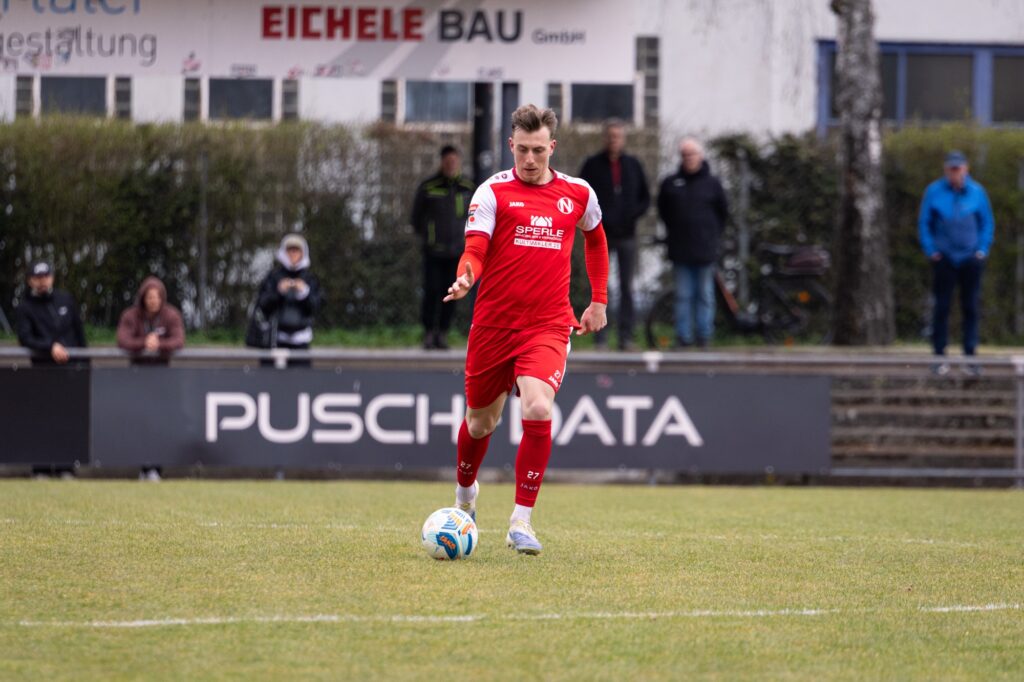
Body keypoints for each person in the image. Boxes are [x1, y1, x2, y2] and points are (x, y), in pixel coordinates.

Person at [443, 104, 609, 555]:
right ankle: (465, 497)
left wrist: (598, 299)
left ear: (552, 147)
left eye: (538, 150)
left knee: (537, 407)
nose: (530, 159)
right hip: (494, 325)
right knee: (480, 423)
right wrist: (466, 278)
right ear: (510, 145)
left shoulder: (578, 193)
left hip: (548, 325)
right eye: (522, 150)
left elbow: (596, 238)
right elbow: (475, 249)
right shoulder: (492, 192)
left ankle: (521, 521)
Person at [918, 151, 995, 376]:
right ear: (946, 170)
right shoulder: (934, 191)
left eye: (958, 169)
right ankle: (939, 356)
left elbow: (987, 223)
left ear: (965, 169)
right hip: (944, 258)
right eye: (951, 169)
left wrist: (982, 250)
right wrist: (931, 250)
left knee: (970, 307)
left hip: (970, 258)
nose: (955, 173)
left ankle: (970, 357)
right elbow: (924, 223)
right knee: (941, 307)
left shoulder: (977, 192)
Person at [578, 119, 650, 350]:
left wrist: (631, 215)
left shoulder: (633, 165)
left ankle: (626, 337)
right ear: (605, 138)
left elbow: (645, 198)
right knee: (600, 285)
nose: (614, 140)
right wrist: (599, 219)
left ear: (623, 139)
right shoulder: (592, 165)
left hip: (627, 234)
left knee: (627, 286)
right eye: (610, 136)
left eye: (617, 136)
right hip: (601, 235)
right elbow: (581, 194)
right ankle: (600, 337)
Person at [657, 138, 729, 349]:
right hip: (680, 249)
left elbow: (723, 213)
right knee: (683, 296)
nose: (689, 158)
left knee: (705, 295)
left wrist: (711, 235)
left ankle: (704, 336)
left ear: (700, 156)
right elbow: (664, 211)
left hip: (705, 249)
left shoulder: (713, 184)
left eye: (692, 154)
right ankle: (683, 337)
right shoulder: (671, 183)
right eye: (685, 155)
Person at [411, 145, 477, 350]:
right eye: (447, 162)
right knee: (431, 291)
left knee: (453, 292)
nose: (451, 165)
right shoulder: (429, 187)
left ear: (459, 162)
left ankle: (443, 333)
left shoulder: (468, 187)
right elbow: (416, 218)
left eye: (454, 161)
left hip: (457, 251)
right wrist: (429, 237)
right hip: (433, 251)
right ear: (441, 162)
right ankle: (429, 332)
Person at [255, 234, 322, 368]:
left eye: (296, 250)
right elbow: (263, 304)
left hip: (301, 341)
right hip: (276, 340)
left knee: (301, 377)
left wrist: (304, 293)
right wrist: (278, 292)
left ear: (303, 253)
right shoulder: (273, 277)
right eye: (289, 250)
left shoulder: (310, 279)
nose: (293, 254)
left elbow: (316, 306)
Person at [15, 260, 87, 366]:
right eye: (38, 277)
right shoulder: (25, 307)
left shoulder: (66, 299)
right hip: (45, 367)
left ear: (52, 278)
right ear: (30, 281)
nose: (42, 281)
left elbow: (79, 332)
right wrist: (50, 346)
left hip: (73, 365)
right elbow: (25, 338)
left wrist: (85, 362)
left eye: (46, 276)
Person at [116, 276, 185, 366]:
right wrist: (144, 342)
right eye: (150, 297)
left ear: (162, 298)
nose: (154, 301)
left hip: (163, 368)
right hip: (136, 368)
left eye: (157, 297)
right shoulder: (130, 315)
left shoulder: (172, 315)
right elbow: (123, 340)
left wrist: (159, 344)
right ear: (143, 298)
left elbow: (178, 340)